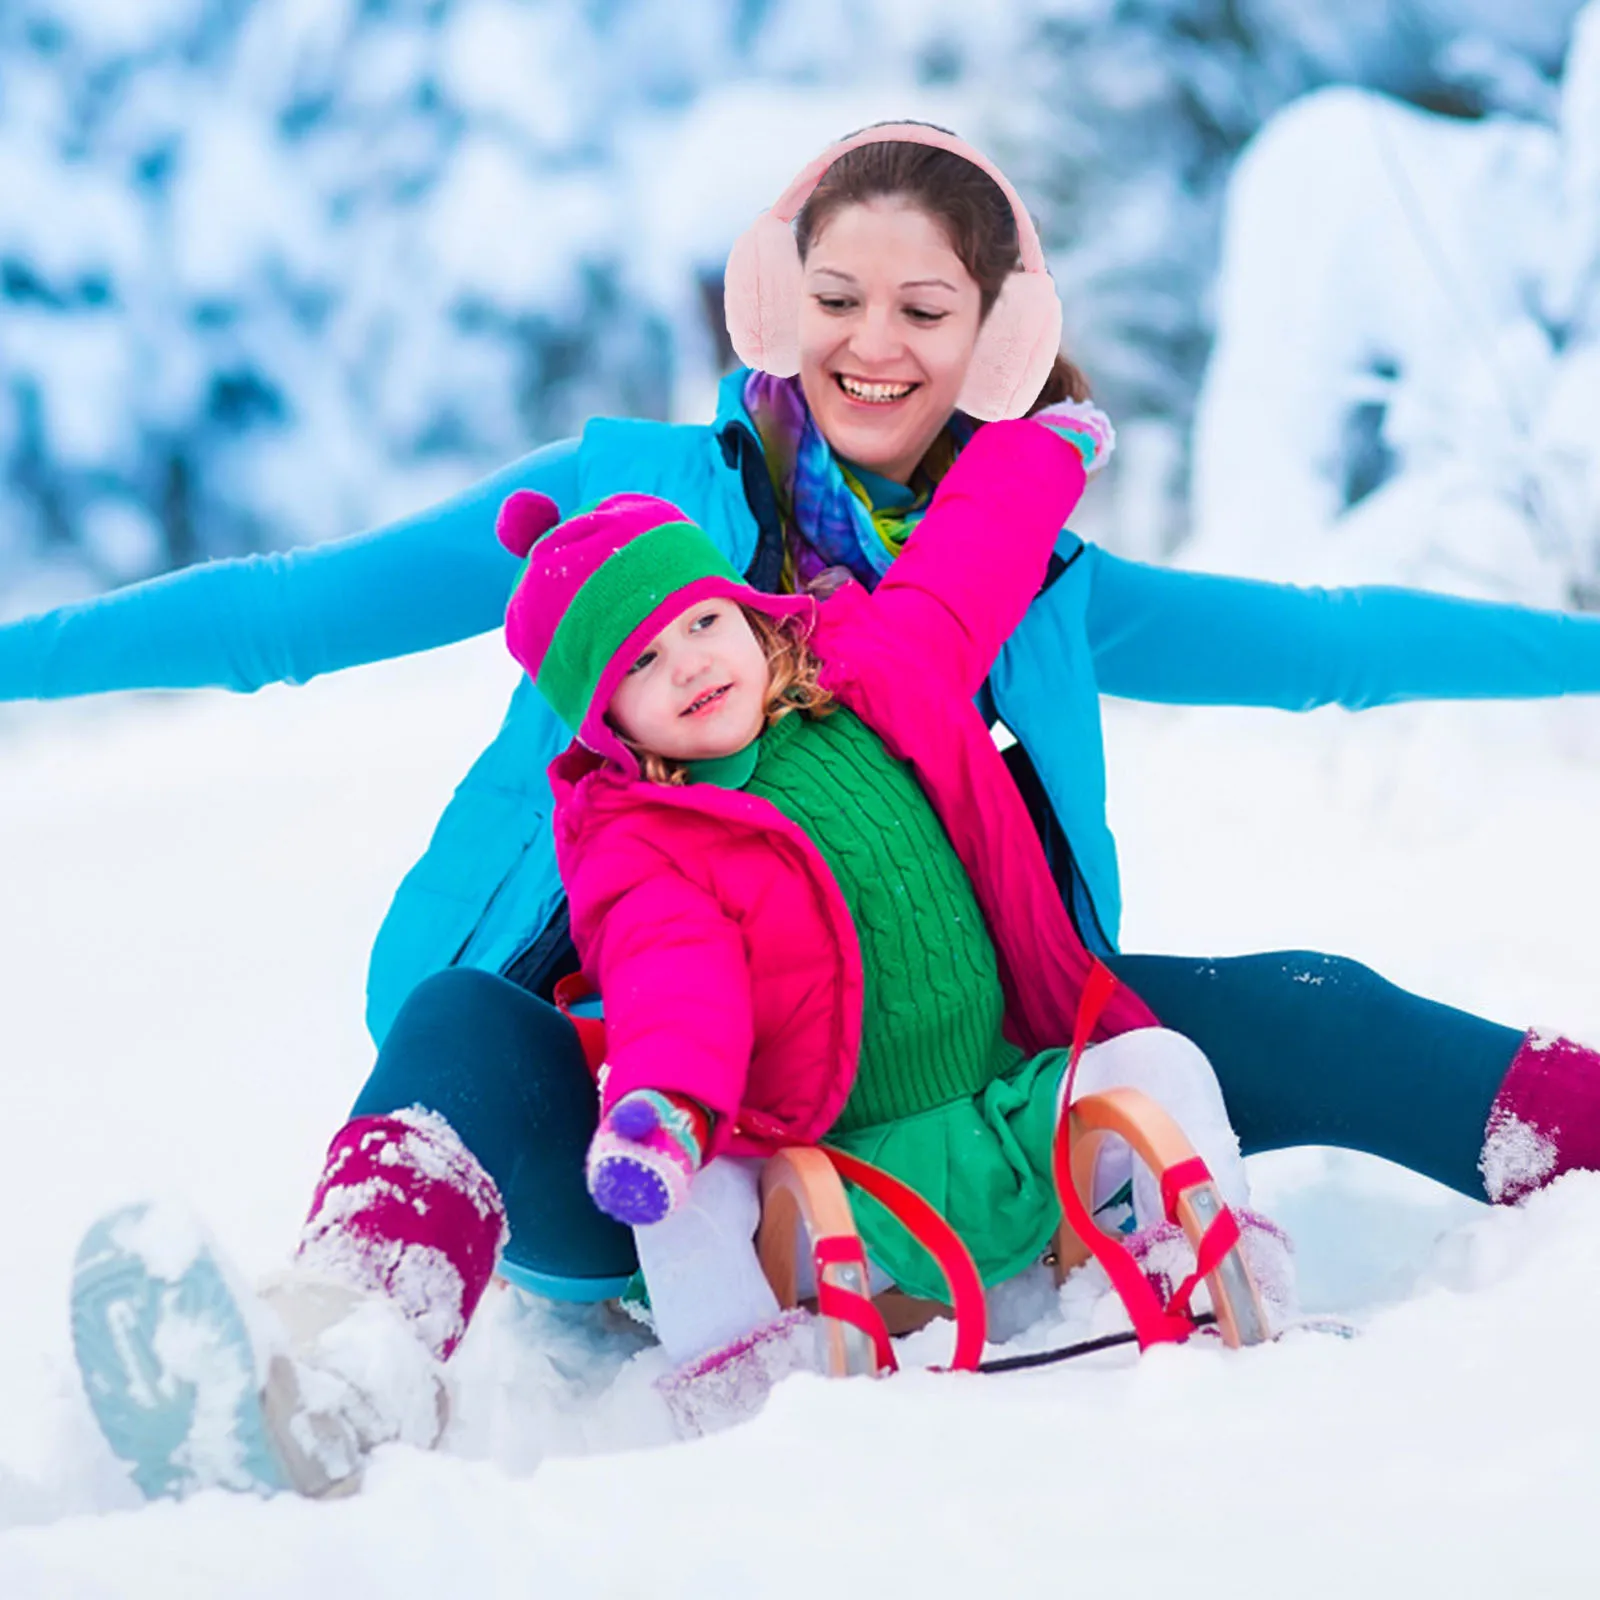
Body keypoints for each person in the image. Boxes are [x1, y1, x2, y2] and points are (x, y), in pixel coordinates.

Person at [22, 122, 1600, 1497]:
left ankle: (1573, 1127)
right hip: (647, 1124)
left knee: (1304, 1009)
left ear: (996, 336)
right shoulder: (615, 506)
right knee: (454, 1026)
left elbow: (1336, 650)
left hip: (959, 1085)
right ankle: (341, 1368)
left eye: (927, 308)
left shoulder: (1028, 579)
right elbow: (287, 621)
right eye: (838, 299)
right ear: (781, 303)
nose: (875, 345)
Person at [498, 412, 1291, 1425]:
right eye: (640, 663)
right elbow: (671, 976)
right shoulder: (650, 837)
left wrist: (1041, 452)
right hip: (832, 1163)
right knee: (690, 1201)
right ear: (608, 722)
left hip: (1003, 1108)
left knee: (1162, 1062)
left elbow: (968, 560)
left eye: (701, 622)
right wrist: (666, 1106)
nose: (690, 664)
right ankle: (740, 1390)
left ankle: (1195, 1264)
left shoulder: (875, 668)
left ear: (748, 613)